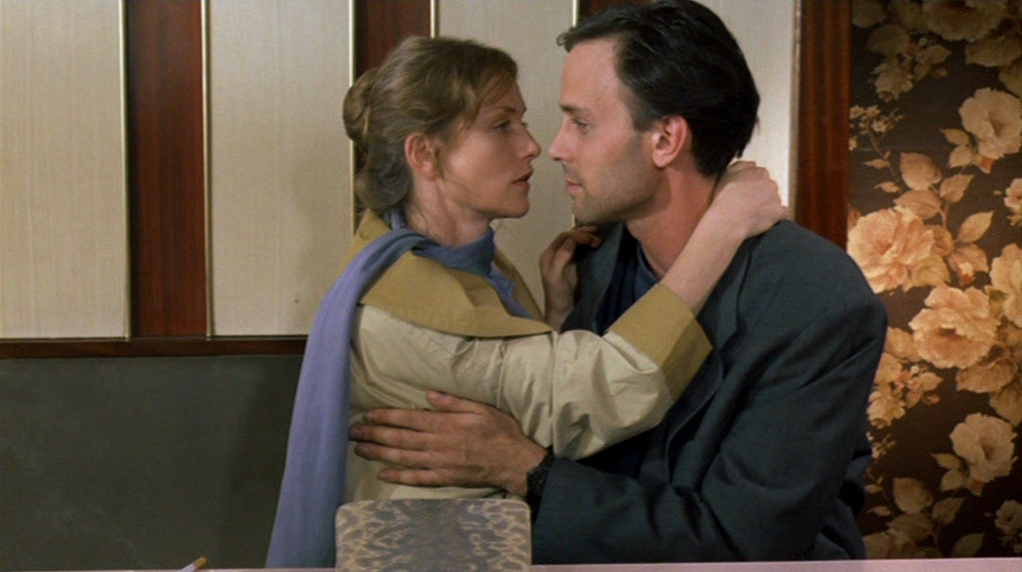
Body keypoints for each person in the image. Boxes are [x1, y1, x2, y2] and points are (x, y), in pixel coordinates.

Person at [348, 0, 888, 564]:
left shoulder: (817, 300)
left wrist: (526, 469)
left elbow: (741, 542)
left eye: (580, 123)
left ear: (665, 140)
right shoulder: (588, 262)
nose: (552, 147)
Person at [266, 35, 786, 567]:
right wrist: (721, 228)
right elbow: (600, 392)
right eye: (501, 126)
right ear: (424, 154)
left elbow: (512, 397)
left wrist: (554, 317)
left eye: (523, 122)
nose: (533, 146)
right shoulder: (405, 311)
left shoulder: (459, 262)